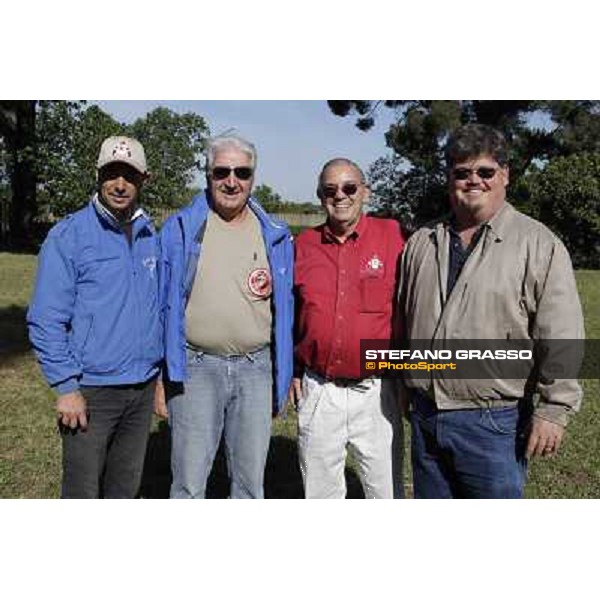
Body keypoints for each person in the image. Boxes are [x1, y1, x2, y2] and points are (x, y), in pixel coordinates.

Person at [397, 124, 585, 499]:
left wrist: (554, 409)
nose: (473, 181)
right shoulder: (421, 241)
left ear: (505, 175)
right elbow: (403, 319)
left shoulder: (538, 244)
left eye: (485, 171)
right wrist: (402, 382)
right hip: (425, 417)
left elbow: (562, 334)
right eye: (462, 172)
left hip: (493, 423)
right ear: (449, 178)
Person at [157, 133, 294, 499]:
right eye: (222, 171)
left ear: (253, 177)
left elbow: (286, 308)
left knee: (250, 484)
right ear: (208, 175)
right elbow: (160, 306)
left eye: (242, 172)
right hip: (196, 367)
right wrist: (161, 376)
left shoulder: (275, 234)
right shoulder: (180, 229)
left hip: (255, 369)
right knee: (188, 482)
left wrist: (285, 372)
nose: (232, 181)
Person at [27, 136, 162, 499]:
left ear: (144, 179)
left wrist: (161, 373)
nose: (120, 184)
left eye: (129, 175)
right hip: (91, 390)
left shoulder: (151, 234)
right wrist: (67, 387)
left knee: (124, 489)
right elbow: (45, 318)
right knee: (83, 492)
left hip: (142, 386)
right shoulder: (68, 235)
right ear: (98, 175)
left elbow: (159, 309)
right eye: (112, 174)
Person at [290, 158, 406, 499]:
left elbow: (413, 306)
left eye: (349, 187)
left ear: (365, 192)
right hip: (319, 389)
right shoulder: (304, 245)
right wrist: (295, 370)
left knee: (385, 492)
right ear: (320, 195)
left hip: (376, 390)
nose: (340, 195)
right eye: (330, 189)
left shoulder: (395, 237)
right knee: (320, 494)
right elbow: (292, 313)